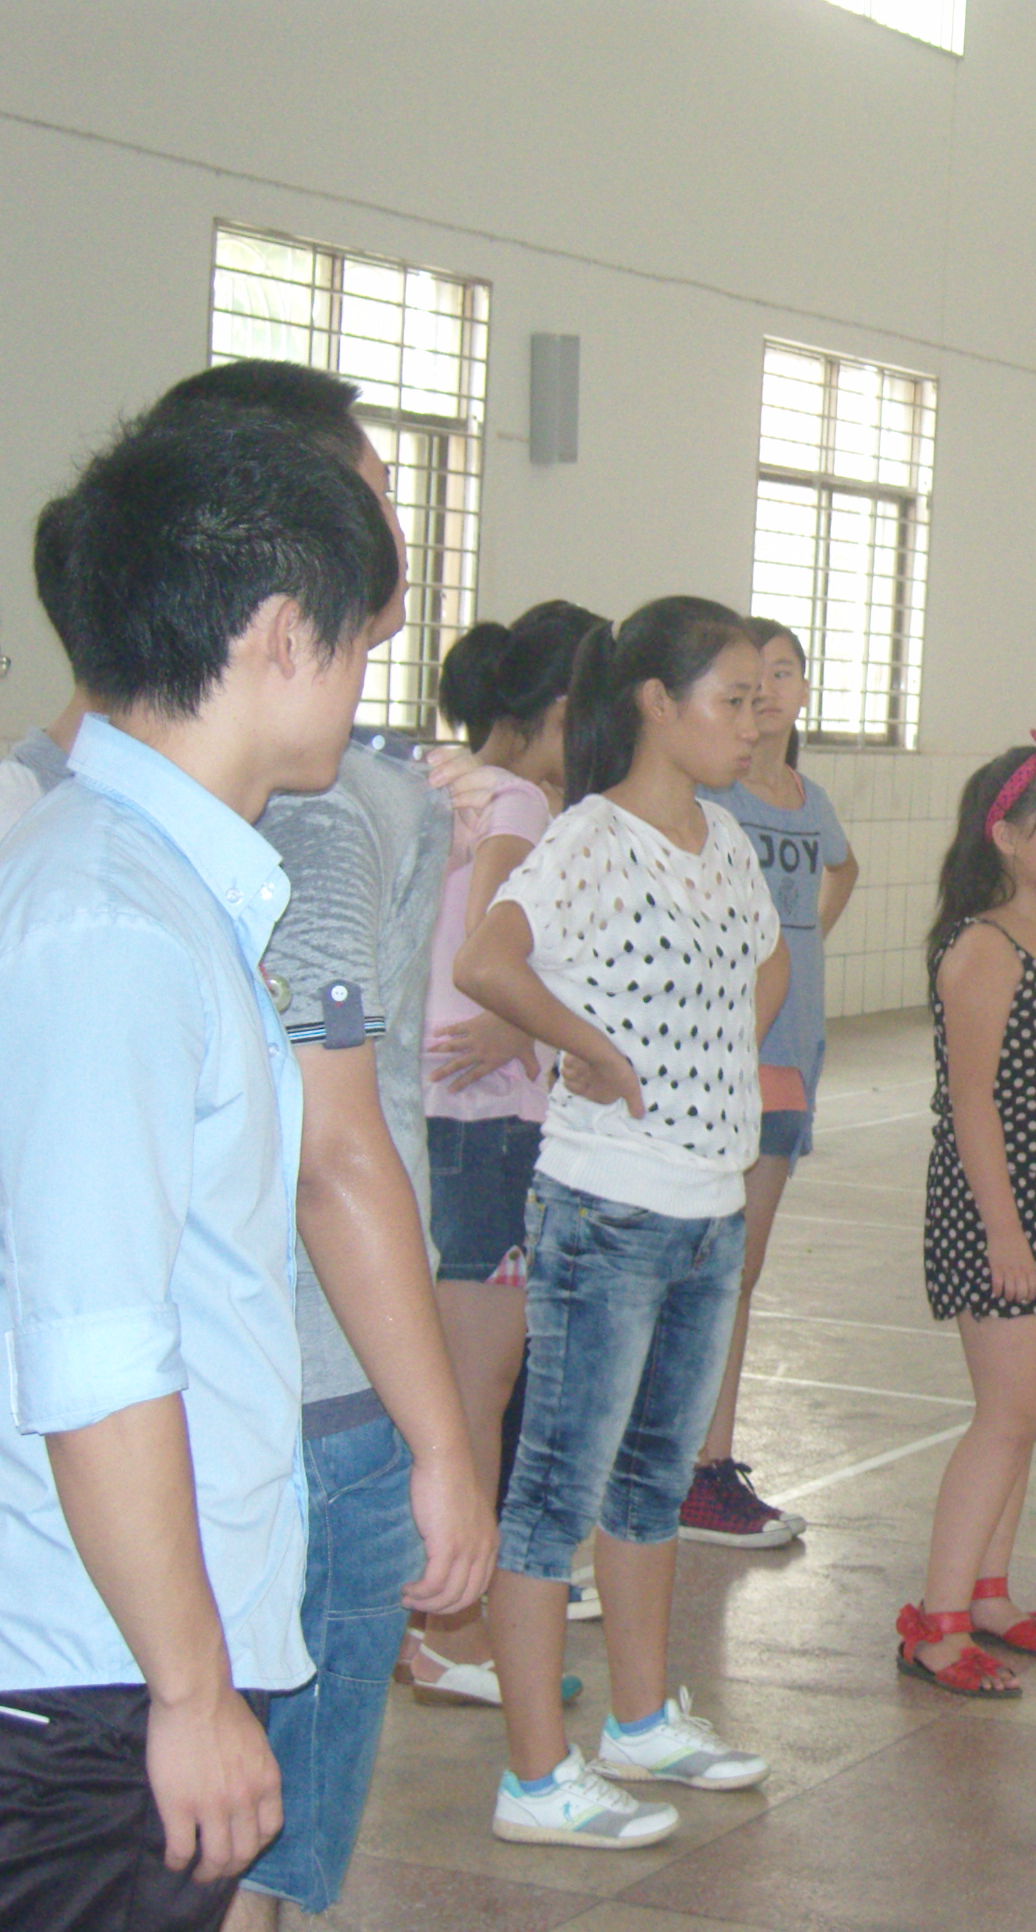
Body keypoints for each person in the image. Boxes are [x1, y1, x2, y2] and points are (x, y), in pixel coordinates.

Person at [0, 402, 407, 1930]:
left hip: (133, 1654)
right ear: (286, 635)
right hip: (91, 1681)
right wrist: (186, 1688)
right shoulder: (109, 918)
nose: (361, 683)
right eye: (357, 642)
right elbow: (94, 1345)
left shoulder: (163, 890)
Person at [454, 598, 786, 1848]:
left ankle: (642, 1722)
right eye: (734, 700)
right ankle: (535, 1778)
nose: (756, 724)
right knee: (553, 1493)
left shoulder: (725, 837)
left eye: (760, 701)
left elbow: (767, 961)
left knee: (651, 1485)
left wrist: (711, 1062)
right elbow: (489, 962)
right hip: (606, 1208)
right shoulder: (590, 837)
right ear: (655, 701)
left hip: (707, 1205)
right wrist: (591, 1050)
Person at [409, 600, 601, 1704]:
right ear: (564, 707)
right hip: (487, 1121)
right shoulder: (523, 800)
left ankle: (433, 1619)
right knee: (476, 1390)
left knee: (452, 1382)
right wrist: (527, 1025)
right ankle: (453, 1625)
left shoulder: (453, 781)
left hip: (443, 1109)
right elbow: (491, 948)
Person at [902, 735, 1036, 1692]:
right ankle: (937, 1622)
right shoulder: (985, 948)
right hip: (1005, 1212)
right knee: (1006, 1416)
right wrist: (1003, 1230)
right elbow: (972, 1102)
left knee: (1023, 1417)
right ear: (1004, 837)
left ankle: (990, 1595)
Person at [685, 620, 858, 1548]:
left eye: (787, 674)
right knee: (702, 1265)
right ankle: (682, 1461)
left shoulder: (809, 798)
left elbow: (844, 870)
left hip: (791, 1049)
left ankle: (706, 1463)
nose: (772, 693)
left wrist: (804, 944)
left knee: (741, 1271)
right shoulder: (712, 793)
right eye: (754, 680)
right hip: (724, 1052)